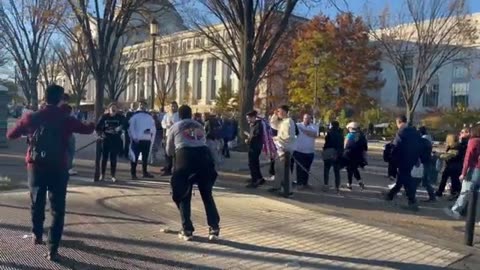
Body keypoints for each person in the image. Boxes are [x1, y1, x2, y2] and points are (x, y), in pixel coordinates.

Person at [6, 84, 95, 261]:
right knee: (58, 209)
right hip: (58, 167)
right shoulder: (65, 118)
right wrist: (93, 122)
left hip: (36, 166)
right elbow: (87, 129)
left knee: (37, 201)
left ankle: (37, 234)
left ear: (44, 97)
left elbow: (11, 135)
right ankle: (53, 248)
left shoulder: (33, 117)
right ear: (61, 99)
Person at [166, 105, 220, 241]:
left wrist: (174, 154)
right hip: (204, 157)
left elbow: (169, 150)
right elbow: (203, 141)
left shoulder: (175, 126)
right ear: (191, 114)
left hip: (185, 157)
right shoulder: (199, 125)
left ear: (179, 115)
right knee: (207, 194)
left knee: (183, 194)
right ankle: (214, 228)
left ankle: (187, 229)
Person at [383, 115, 421, 211]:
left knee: (406, 179)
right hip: (412, 158)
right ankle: (390, 195)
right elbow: (418, 145)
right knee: (402, 178)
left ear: (398, 122)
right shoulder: (414, 131)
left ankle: (412, 201)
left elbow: (396, 146)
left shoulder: (401, 131)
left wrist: (392, 158)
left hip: (403, 158)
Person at [444, 125, 480, 219]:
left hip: (473, 169)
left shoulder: (473, 142)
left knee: (465, 191)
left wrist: (463, 173)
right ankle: (470, 213)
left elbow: (468, 158)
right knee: (476, 193)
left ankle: (456, 210)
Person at [269, 105, 296, 196]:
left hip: (285, 149)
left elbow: (288, 136)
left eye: (279, 111)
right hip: (279, 148)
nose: (278, 113)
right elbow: (273, 124)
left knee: (285, 170)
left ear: (284, 112)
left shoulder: (289, 122)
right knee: (278, 168)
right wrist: (274, 115)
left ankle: (288, 190)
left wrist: (276, 138)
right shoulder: (282, 122)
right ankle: (276, 186)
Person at [96, 103, 125, 182]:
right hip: (106, 140)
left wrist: (121, 127)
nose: (113, 110)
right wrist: (101, 134)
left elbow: (126, 124)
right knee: (104, 158)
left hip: (115, 140)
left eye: (115, 109)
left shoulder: (120, 117)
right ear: (109, 109)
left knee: (113, 158)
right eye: (112, 108)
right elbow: (98, 127)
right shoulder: (104, 117)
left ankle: (113, 175)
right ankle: (102, 174)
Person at [128, 100, 156, 180]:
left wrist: (151, 139)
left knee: (145, 157)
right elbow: (131, 127)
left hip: (146, 139)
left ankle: (145, 172)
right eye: (141, 104)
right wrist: (134, 137)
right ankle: (133, 173)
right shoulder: (134, 116)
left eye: (144, 104)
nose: (142, 106)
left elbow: (153, 129)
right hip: (137, 139)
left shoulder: (149, 117)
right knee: (135, 157)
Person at [436, 133, 466, 200]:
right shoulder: (458, 146)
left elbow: (448, 155)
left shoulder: (455, 147)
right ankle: (441, 191)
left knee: (453, 180)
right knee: (448, 178)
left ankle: (454, 193)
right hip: (454, 165)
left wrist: (439, 155)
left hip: (453, 165)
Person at [292, 114, 317, 189]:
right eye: (305, 118)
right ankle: (299, 183)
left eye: (309, 118)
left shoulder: (313, 127)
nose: (307, 120)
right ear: (303, 118)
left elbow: (313, 134)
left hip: (310, 152)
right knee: (299, 168)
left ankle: (305, 183)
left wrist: (302, 130)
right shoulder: (297, 125)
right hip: (299, 151)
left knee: (307, 168)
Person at [343, 122, 367, 190]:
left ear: (350, 128)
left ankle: (349, 184)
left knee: (349, 170)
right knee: (354, 168)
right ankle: (360, 181)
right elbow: (365, 148)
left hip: (349, 155)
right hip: (358, 156)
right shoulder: (361, 136)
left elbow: (345, 146)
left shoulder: (349, 135)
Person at [323, 121, 344, 193]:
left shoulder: (329, 133)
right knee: (337, 172)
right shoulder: (341, 134)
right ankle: (337, 187)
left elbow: (327, 143)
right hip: (337, 154)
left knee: (326, 170)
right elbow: (342, 146)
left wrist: (324, 150)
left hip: (329, 153)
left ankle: (326, 185)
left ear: (332, 126)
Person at [59, 94, 77, 176]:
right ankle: (68, 168)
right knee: (70, 151)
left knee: (62, 151)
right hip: (68, 133)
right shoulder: (69, 108)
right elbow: (73, 119)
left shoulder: (55, 108)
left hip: (58, 133)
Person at [245, 110, 265, 188]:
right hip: (254, 146)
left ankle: (255, 180)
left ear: (253, 117)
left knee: (252, 163)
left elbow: (256, 136)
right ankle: (259, 178)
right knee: (255, 163)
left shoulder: (258, 125)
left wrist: (248, 140)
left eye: (249, 118)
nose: (248, 120)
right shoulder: (254, 124)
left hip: (255, 146)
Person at [417, 126, 436, 202]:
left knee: (423, 179)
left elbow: (421, 152)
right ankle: (432, 196)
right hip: (427, 161)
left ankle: (432, 196)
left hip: (424, 161)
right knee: (422, 179)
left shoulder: (423, 140)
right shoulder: (428, 139)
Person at [161, 101, 180, 176]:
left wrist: (174, 125)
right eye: (171, 106)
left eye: (174, 106)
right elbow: (163, 124)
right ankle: (168, 169)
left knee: (176, 153)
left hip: (176, 136)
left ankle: (176, 169)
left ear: (177, 107)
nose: (173, 108)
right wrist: (167, 125)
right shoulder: (166, 115)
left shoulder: (179, 115)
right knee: (167, 153)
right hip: (168, 135)